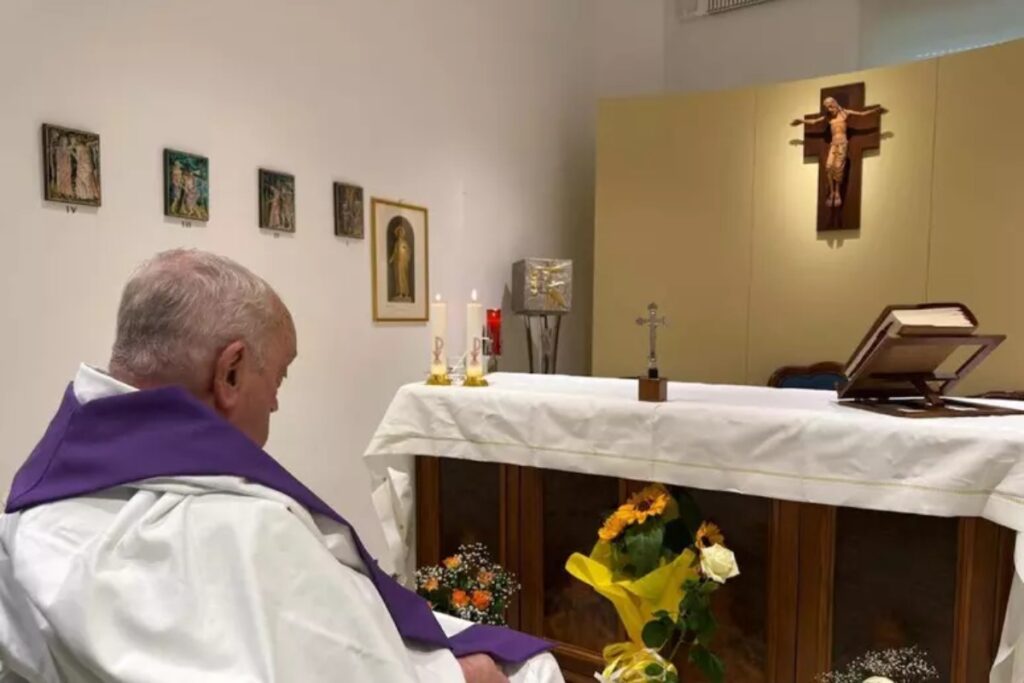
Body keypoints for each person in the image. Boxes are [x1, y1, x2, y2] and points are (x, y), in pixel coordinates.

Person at [0, 250, 560, 682]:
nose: (275, 403)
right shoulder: (250, 532)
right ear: (232, 373)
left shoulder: (30, 513)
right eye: (280, 377)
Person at [791, 97, 886, 208]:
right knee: (828, 167)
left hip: (842, 144)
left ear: (835, 104)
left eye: (831, 106)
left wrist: (874, 111)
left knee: (837, 168)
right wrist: (801, 121)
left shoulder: (845, 113)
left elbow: (861, 114)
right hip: (833, 144)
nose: (830, 109)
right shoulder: (828, 118)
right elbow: (814, 121)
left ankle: (837, 192)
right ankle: (831, 192)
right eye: (827, 108)